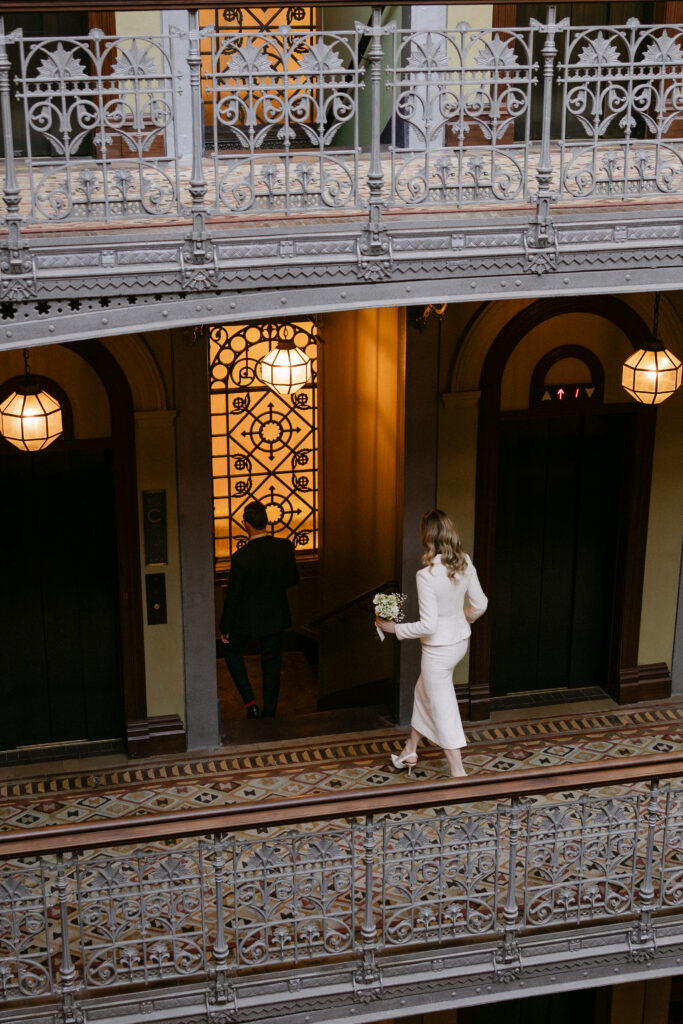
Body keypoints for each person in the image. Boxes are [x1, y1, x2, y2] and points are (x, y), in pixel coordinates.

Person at [376, 509, 487, 778]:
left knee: (442, 705)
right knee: (423, 692)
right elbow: (480, 604)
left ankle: (458, 771)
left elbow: (428, 626)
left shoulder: (426, 576)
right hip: (460, 643)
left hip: (437, 652)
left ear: (426, 537)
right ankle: (409, 749)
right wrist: (462, 619)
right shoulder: (465, 562)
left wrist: (395, 628)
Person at [220, 500, 299, 719]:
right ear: (266, 522)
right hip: (275, 615)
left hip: (247, 619)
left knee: (231, 650)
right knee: (272, 663)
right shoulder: (284, 547)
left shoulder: (241, 557)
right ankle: (269, 712)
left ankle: (251, 702)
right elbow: (293, 578)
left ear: (246, 524)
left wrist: (225, 626)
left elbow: (233, 596)